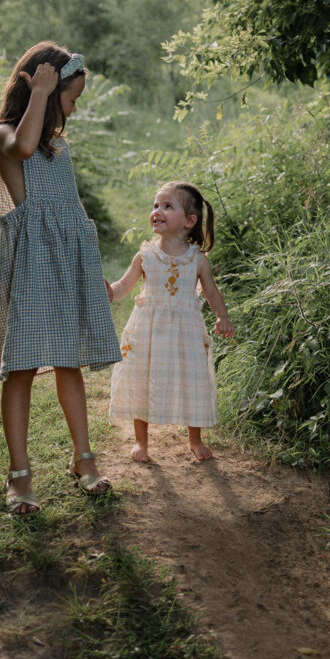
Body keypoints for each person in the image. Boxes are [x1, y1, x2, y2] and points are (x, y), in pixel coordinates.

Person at [0, 41, 122, 515]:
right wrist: (42, 93)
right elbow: (23, 147)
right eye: (70, 98)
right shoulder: (7, 134)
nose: (73, 109)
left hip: (67, 261)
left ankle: (83, 460)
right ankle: (20, 474)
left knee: (70, 360)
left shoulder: (60, 146)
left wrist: (92, 272)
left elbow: (73, 213)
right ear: (43, 89)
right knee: (22, 366)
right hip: (31, 261)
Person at [109, 181, 234, 462]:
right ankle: (141, 441)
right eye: (155, 205)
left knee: (192, 379)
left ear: (190, 221)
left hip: (186, 333)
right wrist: (109, 292)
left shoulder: (197, 260)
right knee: (141, 377)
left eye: (167, 206)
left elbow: (212, 291)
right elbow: (123, 286)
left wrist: (222, 316)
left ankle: (195, 439)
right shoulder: (145, 256)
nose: (157, 211)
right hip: (147, 330)